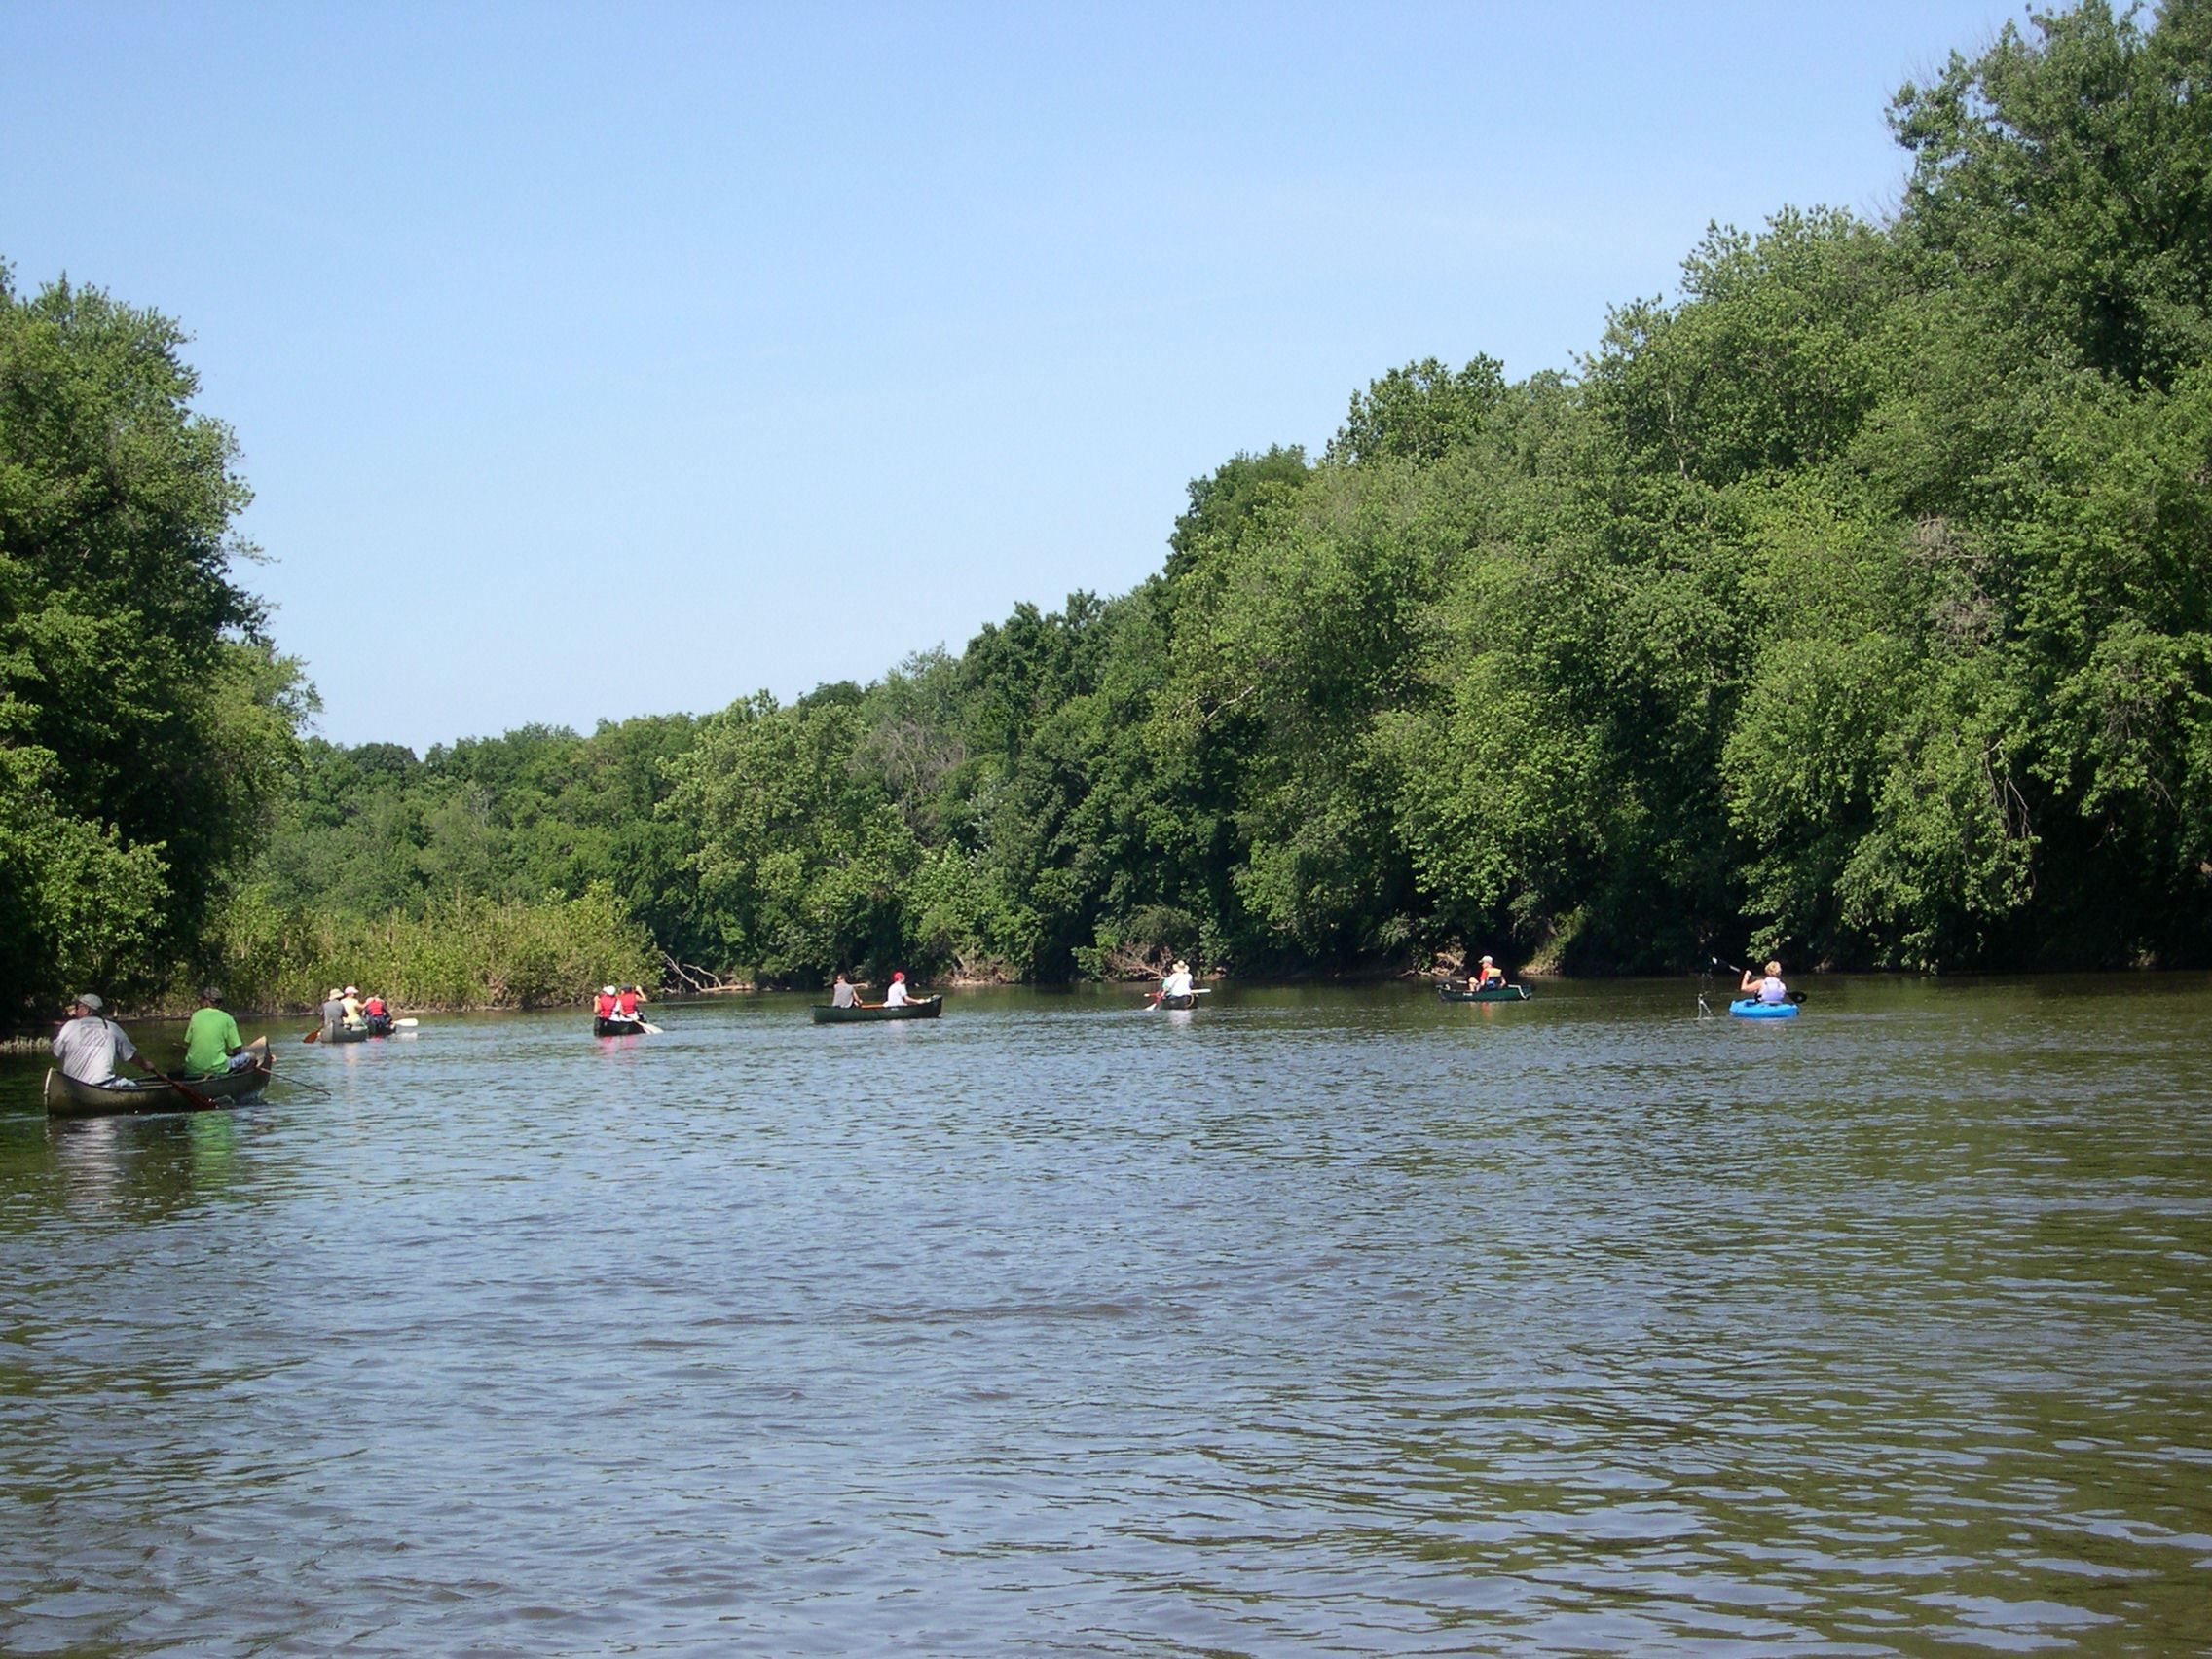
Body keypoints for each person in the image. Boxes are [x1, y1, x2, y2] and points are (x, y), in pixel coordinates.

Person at [52, 993, 157, 1087]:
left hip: (72, 1086)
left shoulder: (70, 1026)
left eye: (77, 1007)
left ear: (86, 1009)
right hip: (103, 1085)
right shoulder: (112, 1028)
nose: (75, 1011)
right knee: (135, 1086)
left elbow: (57, 1052)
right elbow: (131, 1056)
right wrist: (146, 1065)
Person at [183, 985, 250, 1076]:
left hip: (192, 1069)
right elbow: (237, 1049)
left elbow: (187, 1043)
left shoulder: (195, 1016)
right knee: (250, 1056)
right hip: (218, 1068)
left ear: (206, 1001)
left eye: (202, 999)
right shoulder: (227, 1018)